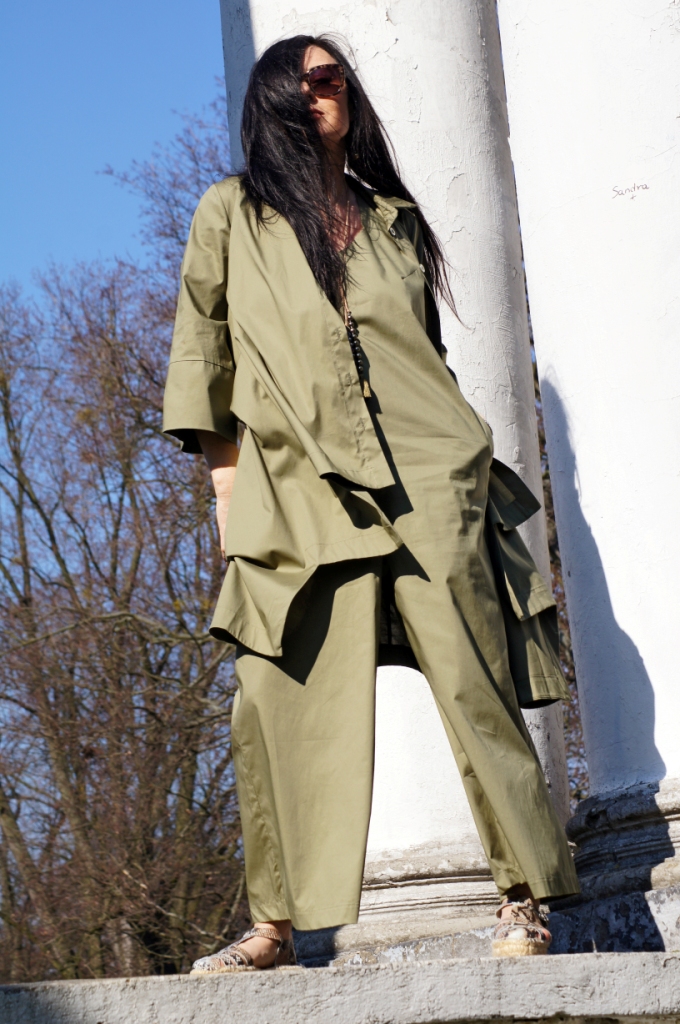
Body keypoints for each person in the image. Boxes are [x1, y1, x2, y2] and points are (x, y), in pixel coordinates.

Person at [162, 34, 579, 972]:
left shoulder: (393, 219)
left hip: (431, 474)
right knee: (274, 692)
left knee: (475, 680)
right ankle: (274, 922)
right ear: (273, 100)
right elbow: (203, 354)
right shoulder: (231, 214)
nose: (326, 92)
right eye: (308, 81)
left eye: (336, 78)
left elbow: (421, 351)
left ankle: (522, 895)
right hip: (296, 485)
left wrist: (465, 462)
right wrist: (228, 490)